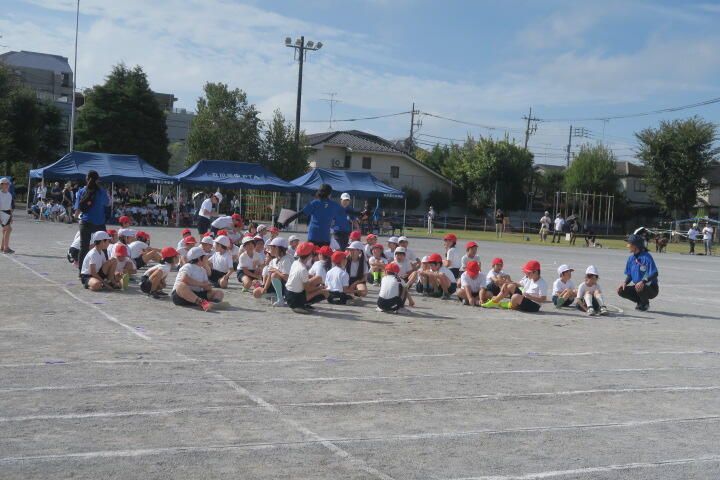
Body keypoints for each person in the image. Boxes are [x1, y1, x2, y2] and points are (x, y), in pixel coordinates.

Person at [280, 184, 345, 247]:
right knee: (323, 254)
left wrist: (287, 220)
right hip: (325, 237)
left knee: (311, 254)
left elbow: (300, 213)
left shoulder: (315, 203)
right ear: (330, 194)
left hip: (313, 236)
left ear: (319, 192)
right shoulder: (334, 205)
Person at [74, 170, 110, 273]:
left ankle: (82, 272)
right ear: (98, 180)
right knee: (104, 247)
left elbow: (78, 208)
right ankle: (104, 271)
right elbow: (107, 203)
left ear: (86, 179)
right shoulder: (101, 191)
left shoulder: (81, 191)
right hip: (99, 222)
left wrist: (76, 216)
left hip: (86, 221)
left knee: (84, 248)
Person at [171, 246, 226, 311]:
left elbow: (206, 288)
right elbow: (184, 279)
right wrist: (202, 284)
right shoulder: (188, 266)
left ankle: (213, 303)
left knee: (219, 293)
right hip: (180, 296)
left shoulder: (203, 270)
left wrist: (208, 287)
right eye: (205, 257)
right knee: (181, 286)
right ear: (199, 258)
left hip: (196, 295)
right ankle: (202, 303)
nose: (207, 258)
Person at [617, 234, 659, 311]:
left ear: (635, 245)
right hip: (638, 287)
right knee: (621, 290)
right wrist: (625, 283)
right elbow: (630, 275)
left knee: (639, 286)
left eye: (629, 244)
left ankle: (645, 303)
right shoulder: (631, 258)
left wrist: (643, 282)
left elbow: (654, 273)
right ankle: (640, 301)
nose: (627, 246)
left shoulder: (646, 257)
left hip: (651, 288)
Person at [285, 242, 329, 314]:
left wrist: (315, 280)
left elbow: (302, 278)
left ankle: (302, 304)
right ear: (309, 255)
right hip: (294, 299)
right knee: (325, 292)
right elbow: (308, 289)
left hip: (288, 294)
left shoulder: (296, 262)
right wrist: (320, 288)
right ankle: (301, 305)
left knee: (318, 278)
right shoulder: (303, 269)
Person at [0, 178, 14, 253]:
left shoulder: (9, 194)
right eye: (6, 184)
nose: (7, 185)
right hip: (1, 213)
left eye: (8, 184)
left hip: (8, 213)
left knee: (5, 230)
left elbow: (10, 206)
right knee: (8, 229)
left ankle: (2, 247)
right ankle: (6, 248)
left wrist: (11, 216)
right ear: (1, 185)